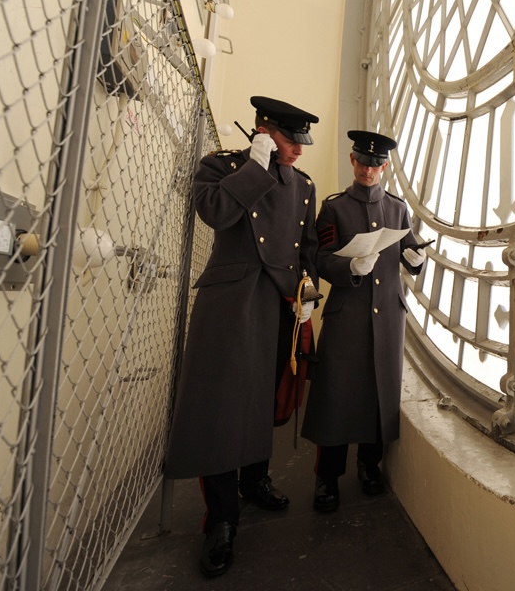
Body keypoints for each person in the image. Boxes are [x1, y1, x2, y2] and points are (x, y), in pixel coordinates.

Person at [164, 96, 321, 577]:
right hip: (233, 301)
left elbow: (307, 245)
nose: (298, 149)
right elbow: (214, 213)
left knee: (261, 398)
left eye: (301, 141)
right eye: (289, 139)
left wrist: (309, 289)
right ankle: (221, 520)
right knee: (221, 407)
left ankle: (254, 479)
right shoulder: (222, 166)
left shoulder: (304, 186)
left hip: (281, 302)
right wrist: (254, 168)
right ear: (263, 130)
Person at [300, 129, 426, 513]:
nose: (368, 169)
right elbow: (319, 259)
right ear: (352, 160)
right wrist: (349, 267)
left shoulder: (397, 208)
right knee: (336, 394)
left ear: (384, 166)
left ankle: (369, 466)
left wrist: (418, 261)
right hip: (347, 315)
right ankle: (327, 477)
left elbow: (409, 252)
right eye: (362, 161)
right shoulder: (334, 208)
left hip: (388, 313)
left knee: (379, 392)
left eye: (375, 163)